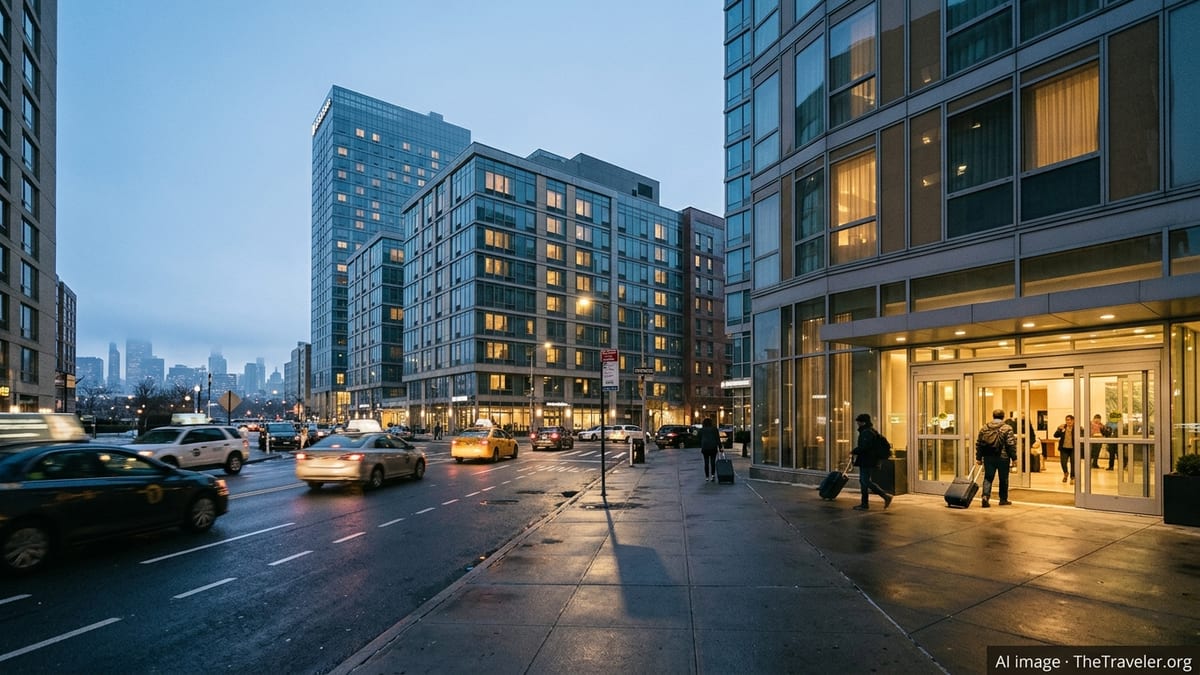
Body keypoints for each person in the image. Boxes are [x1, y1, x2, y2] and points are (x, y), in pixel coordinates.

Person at [850, 413, 893, 510]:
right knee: (863, 481)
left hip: (867, 460)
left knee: (865, 481)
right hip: (868, 459)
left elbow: (864, 447)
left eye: (858, 422)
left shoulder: (866, 433)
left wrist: (854, 451)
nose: (857, 423)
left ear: (863, 422)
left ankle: (885, 496)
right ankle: (864, 504)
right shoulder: (870, 431)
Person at [976, 408, 1017, 507]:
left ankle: (985, 496)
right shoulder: (1007, 428)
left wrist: (978, 457)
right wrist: (1014, 458)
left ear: (993, 416)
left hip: (988, 456)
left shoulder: (984, 428)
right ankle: (1003, 499)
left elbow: (979, 443)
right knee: (1003, 478)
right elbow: (1010, 444)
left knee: (988, 477)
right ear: (1003, 417)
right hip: (1003, 457)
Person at [1054, 414, 1077, 484]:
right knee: (1063, 463)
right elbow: (1055, 436)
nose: (1068, 421)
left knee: (1073, 463)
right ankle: (1066, 473)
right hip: (1064, 449)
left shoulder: (1077, 428)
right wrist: (1058, 429)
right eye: (1067, 420)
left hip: (1073, 449)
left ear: (1073, 421)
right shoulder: (1063, 427)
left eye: (1069, 420)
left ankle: (1072, 477)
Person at [698, 417, 721, 482]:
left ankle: (707, 477)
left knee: (706, 462)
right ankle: (713, 476)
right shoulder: (714, 429)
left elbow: (698, 438)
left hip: (705, 447)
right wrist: (720, 447)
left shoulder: (702, 430)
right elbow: (717, 439)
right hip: (713, 447)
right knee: (713, 462)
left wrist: (701, 444)